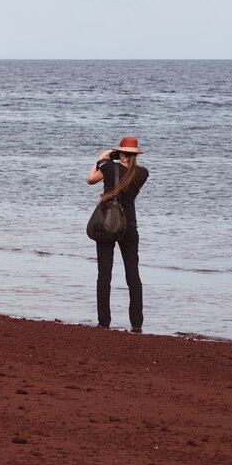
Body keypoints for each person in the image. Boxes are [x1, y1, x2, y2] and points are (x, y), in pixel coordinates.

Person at [86, 136, 150, 332]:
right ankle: (136, 323)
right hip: (129, 227)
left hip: (107, 224)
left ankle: (104, 322)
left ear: (120, 153)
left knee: (104, 274)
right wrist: (117, 158)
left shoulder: (107, 167)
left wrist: (106, 154)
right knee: (133, 275)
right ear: (135, 155)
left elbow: (90, 179)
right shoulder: (143, 173)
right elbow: (126, 174)